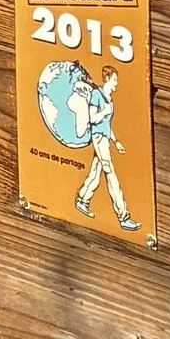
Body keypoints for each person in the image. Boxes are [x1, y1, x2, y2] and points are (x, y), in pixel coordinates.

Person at [65, 64, 138, 233]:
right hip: (98, 137)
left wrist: (115, 141)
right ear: (107, 79)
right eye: (114, 80)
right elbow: (92, 118)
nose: (116, 83)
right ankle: (124, 217)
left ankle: (82, 199)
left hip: (104, 137)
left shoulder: (109, 100)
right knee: (111, 174)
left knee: (96, 172)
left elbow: (107, 125)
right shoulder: (97, 95)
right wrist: (104, 112)